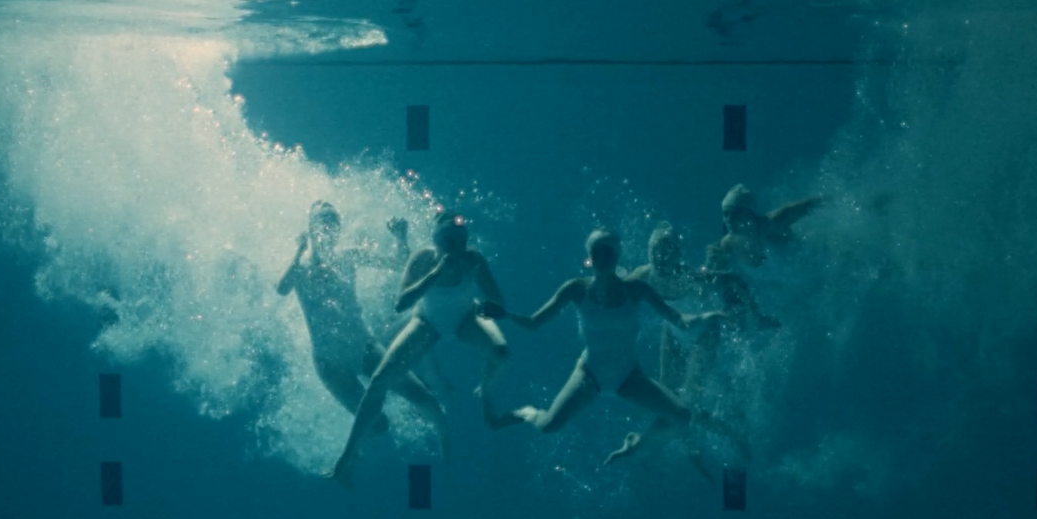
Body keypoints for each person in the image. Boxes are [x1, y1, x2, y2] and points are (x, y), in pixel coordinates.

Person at [482, 228, 723, 457]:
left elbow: (679, 319)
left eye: (608, 252)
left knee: (681, 416)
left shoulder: (636, 289)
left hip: (628, 376)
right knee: (547, 426)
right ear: (589, 256)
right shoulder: (576, 288)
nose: (602, 257)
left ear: (617, 256)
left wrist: (710, 316)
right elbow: (534, 323)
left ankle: (636, 444)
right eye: (596, 251)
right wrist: (505, 314)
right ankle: (527, 413)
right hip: (590, 373)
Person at [327, 210, 509, 484]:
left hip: (465, 319)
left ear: (464, 241)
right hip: (427, 323)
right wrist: (435, 274)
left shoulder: (475, 260)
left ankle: (485, 392)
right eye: (445, 240)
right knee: (379, 381)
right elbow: (400, 303)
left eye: (457, 240)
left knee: (502, 353)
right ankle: (347, 454)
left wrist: (493, 309)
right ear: (436, 241)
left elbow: (498, 301)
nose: (451, 247)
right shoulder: (423, 258)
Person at [277, 201, 447, 451]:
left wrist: (401, 237)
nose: (329, 229)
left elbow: (399, 264)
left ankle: (445, 437)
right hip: (329, 364)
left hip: (364, 348)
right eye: (324, 222)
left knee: (423, 397)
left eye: (334, 223)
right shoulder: (299, 267)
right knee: (378, 425)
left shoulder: (349, 256)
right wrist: (298, 250)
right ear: (311, 229)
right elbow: (282, 288)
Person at [608, 223, 767, 469]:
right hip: (672, 333)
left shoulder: (691, 278)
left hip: (704, 334)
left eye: (666, 252)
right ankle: (690, 446)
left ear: (677, 255)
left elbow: (735, 281)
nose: (661, 259)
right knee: (667, 404)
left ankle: (732, 434)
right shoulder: (644, 275)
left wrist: (756, 316)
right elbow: (617, 293)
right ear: (649, 254)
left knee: (688, 405)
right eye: (655, 252)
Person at [706, 184, 823, 272]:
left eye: (735, 214)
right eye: (725, 214)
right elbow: (715, 277)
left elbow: (810, 204)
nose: (728, 220)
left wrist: (836, 201)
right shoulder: (727, 245)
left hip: (807, 262)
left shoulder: (772, 223)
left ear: (749, 214)